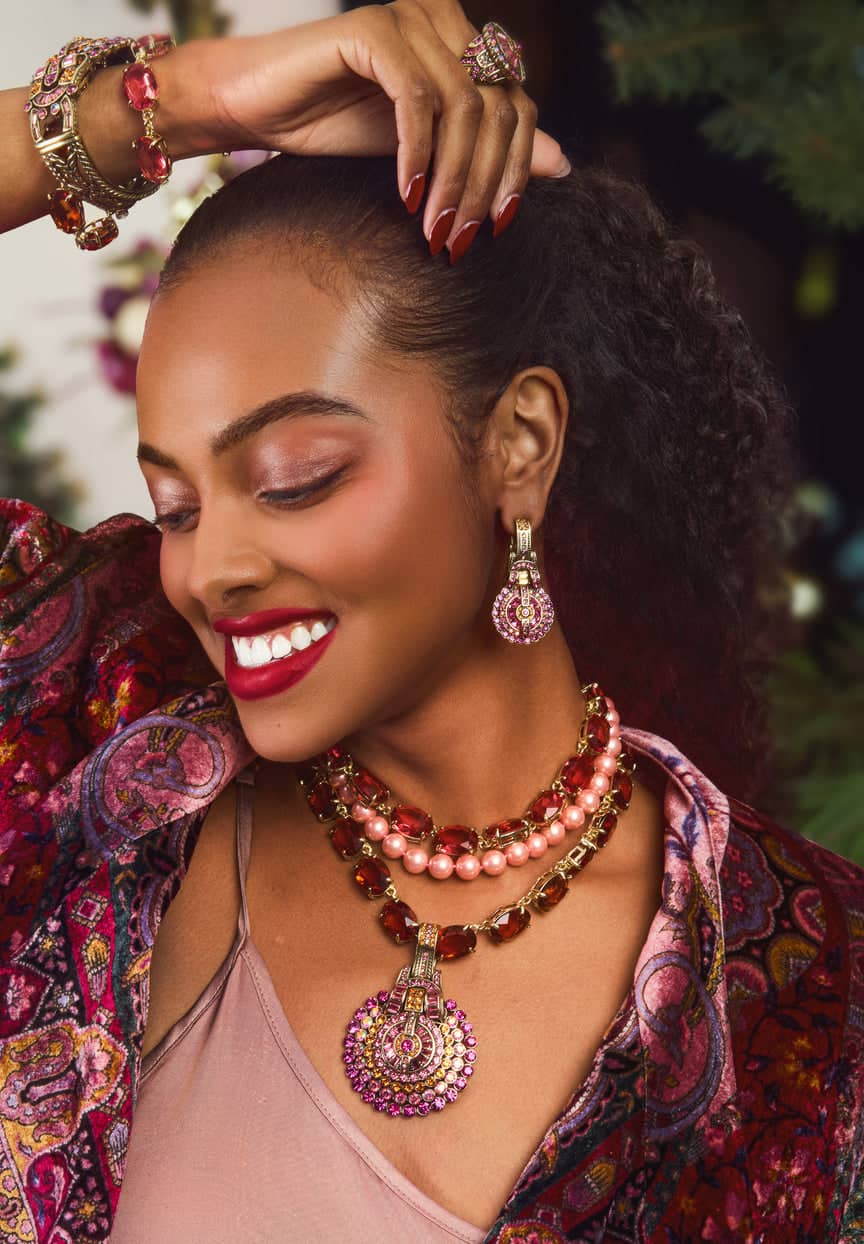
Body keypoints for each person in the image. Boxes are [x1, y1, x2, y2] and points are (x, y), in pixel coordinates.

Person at [1, 3, 862, 1241]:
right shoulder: (77, 708)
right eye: (175, 502)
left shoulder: (814, 1005)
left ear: (518, 446)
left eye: (296, 475)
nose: (211, 570)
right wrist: (185, 104)